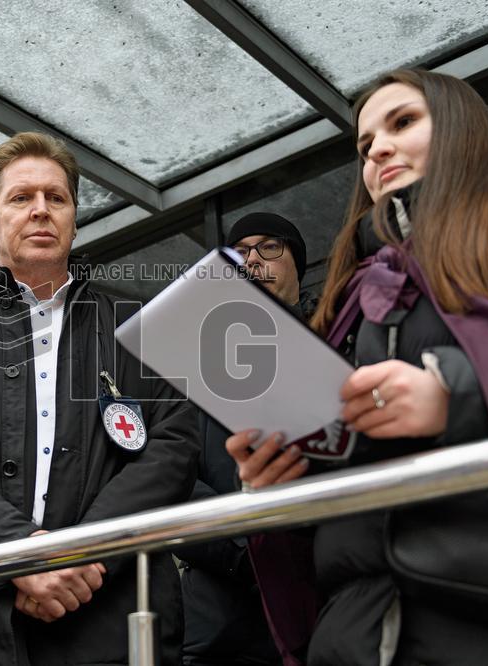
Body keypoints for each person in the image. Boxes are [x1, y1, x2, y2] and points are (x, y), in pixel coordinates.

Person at [228, 68, 488, 665]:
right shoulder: (353, 294)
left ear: (461, 129)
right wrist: (276, 481)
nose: (377, 148)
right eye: (364, 144)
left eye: (402, 122)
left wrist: (455, 396)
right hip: (358, 632)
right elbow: (346, 474)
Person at [0, 131, 199, 665]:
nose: (40, 211)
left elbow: (174, 448)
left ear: (74, 218)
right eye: (20, 198)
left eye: (57, 198)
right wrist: (19, 554)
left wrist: (81, 555)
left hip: (108, 619)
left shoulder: (138, 329)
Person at [173, 212, 308, 666]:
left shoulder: (335, 339)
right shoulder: (197, 369)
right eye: (241, 252)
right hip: (224, 621)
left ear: (297, 261)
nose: (254, 261)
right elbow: (172, 479)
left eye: (270, 247)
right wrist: (244, 554)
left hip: (324, 596)